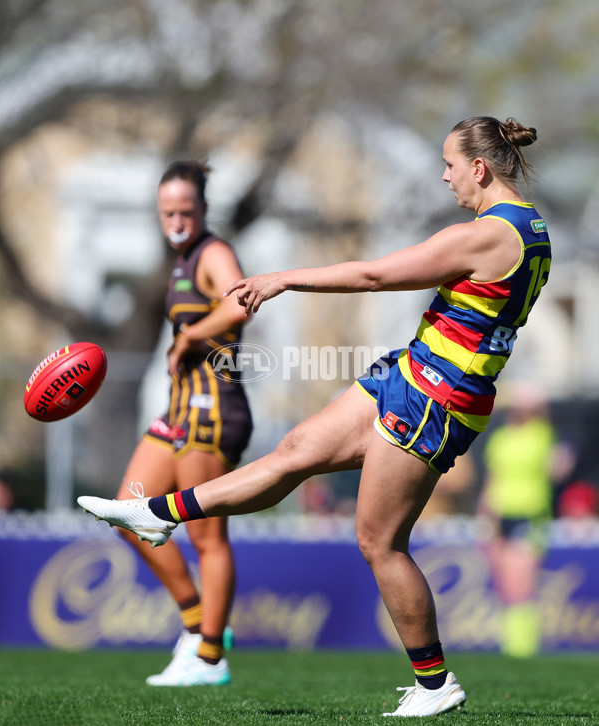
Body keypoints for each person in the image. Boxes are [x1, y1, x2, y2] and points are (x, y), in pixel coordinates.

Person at [79, 116, 550, 717]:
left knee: (379, 542)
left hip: (437, 395)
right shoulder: (531, 226)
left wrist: (284, 279)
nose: (445, 175)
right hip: (412, 370)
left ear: (479, 169)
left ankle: (436, 684)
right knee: (296, 449)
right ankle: (157, 515)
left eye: (451, 165)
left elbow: (376, 274)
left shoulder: (488, 233)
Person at [112, 161, 253, 686]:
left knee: (206, 536)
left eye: (185, 211)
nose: (176, 220)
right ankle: (197, 623)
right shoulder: (180, 259)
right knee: (128, 512)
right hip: (178, 409)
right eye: (167, 211)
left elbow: (240, 304)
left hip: (214, 409)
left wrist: (193, 337)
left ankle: (211, 656)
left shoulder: (213, 252)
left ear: (203, 211)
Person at [478, 386, 556, 658]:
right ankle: (512, 648)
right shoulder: (500, 438)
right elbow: (491, 480)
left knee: (522, 584)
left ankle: (524, 649)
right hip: (501, 515)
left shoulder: (541, 434)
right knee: (505, 585)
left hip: (529, 513)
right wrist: (485, 518)